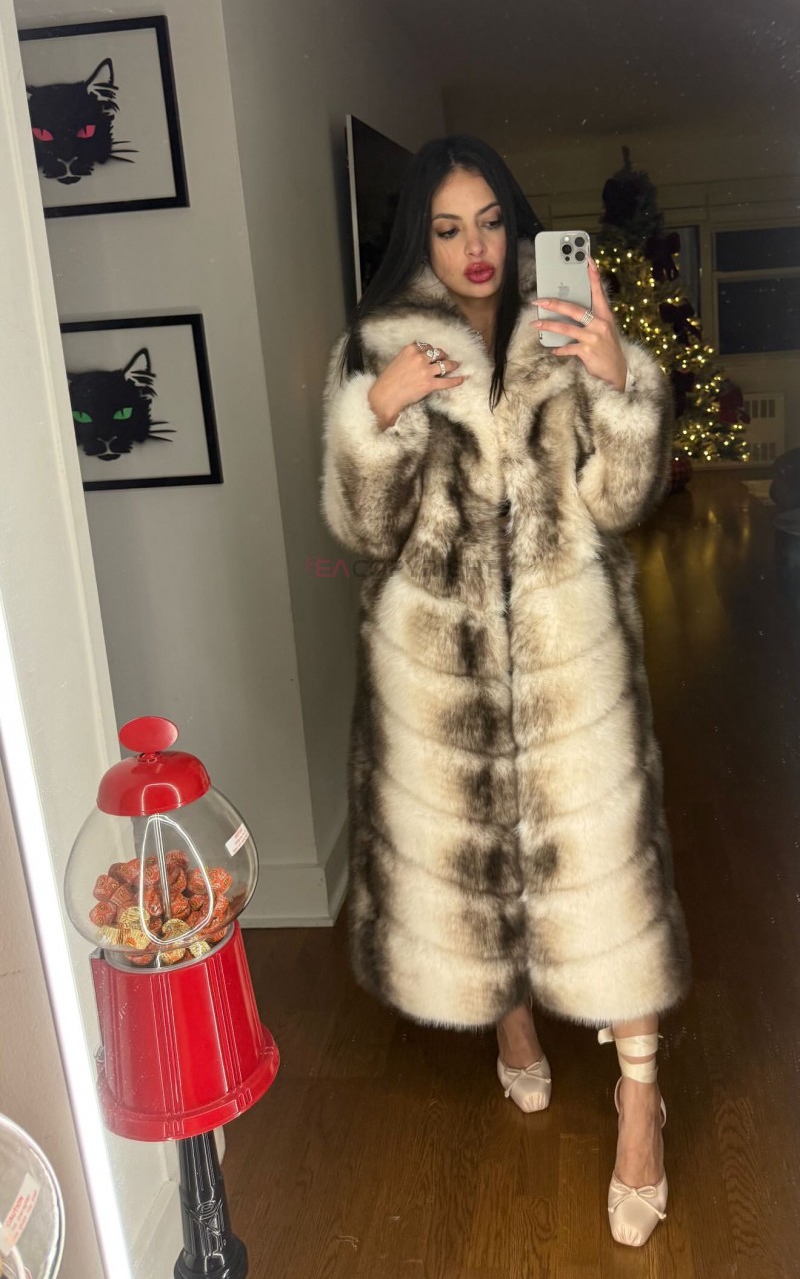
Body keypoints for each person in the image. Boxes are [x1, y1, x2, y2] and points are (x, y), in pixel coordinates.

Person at [319, 134, 692, 1248]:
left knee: (610, 882)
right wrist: (377, 414)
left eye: (489, 221)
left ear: (516, 222)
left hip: (570, 649)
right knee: (478, 872)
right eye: (447, 228)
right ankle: (511, 1024)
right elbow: (365, 530)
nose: (474, 248)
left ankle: (639, 1104)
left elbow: (620, 500)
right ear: (419, 239)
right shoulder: (375, 346)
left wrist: (619, 383)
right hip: (439, 666)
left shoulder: (567, 324)